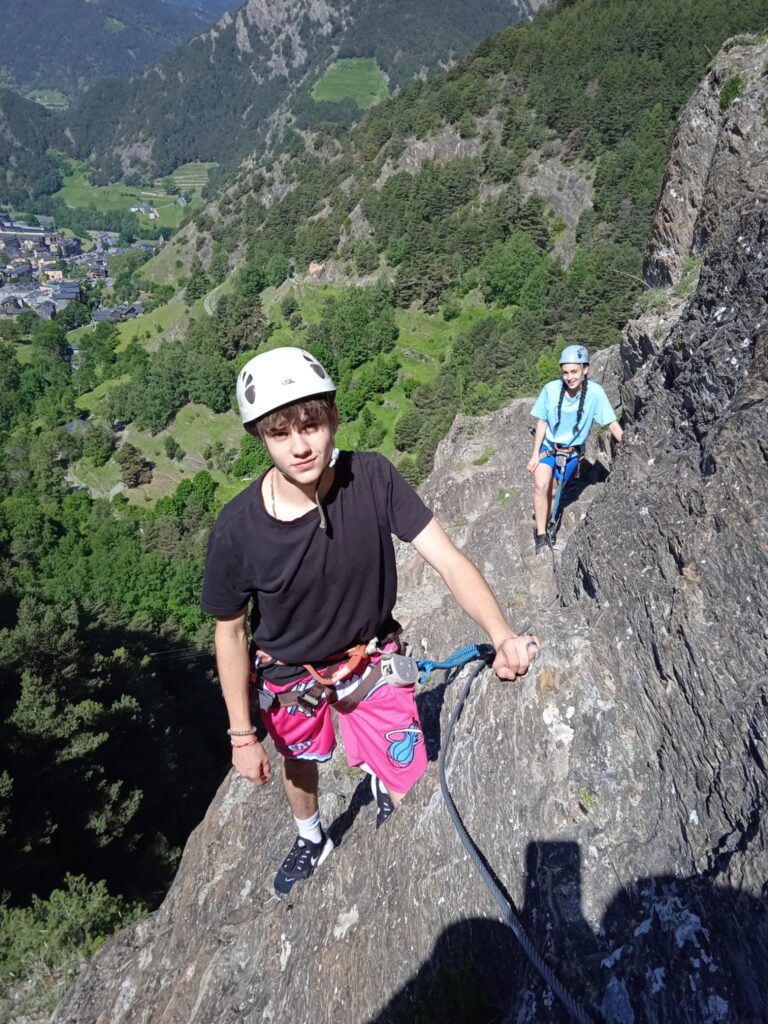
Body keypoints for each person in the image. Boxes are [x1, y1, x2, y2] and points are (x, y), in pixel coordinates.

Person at [201, 346, 540, 898]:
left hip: (369, 658)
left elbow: (449, 559)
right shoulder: (239, 531)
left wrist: (501, 636)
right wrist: (242, 734)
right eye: (281, 433)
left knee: (406, 776)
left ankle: (384, 781)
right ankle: (311, 836)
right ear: (260, 439)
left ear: (333, 417)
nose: (302, 445)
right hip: (292, 675)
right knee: (301, 761)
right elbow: (230, 631)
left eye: (312, 425)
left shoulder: (374, 478)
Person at [527, 344, 623, 554]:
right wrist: (535, 455)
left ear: (585, 370)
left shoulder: (595, 394)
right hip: (549, 448)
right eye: (565, 372)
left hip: (571, 453)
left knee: (553, 490)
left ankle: (548, 519)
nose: (569, 377)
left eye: (574, 372)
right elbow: (542, 421)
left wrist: (627, 444)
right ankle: (542, 534)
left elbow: (611, 423)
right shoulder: (551, 390)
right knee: (541, 486)